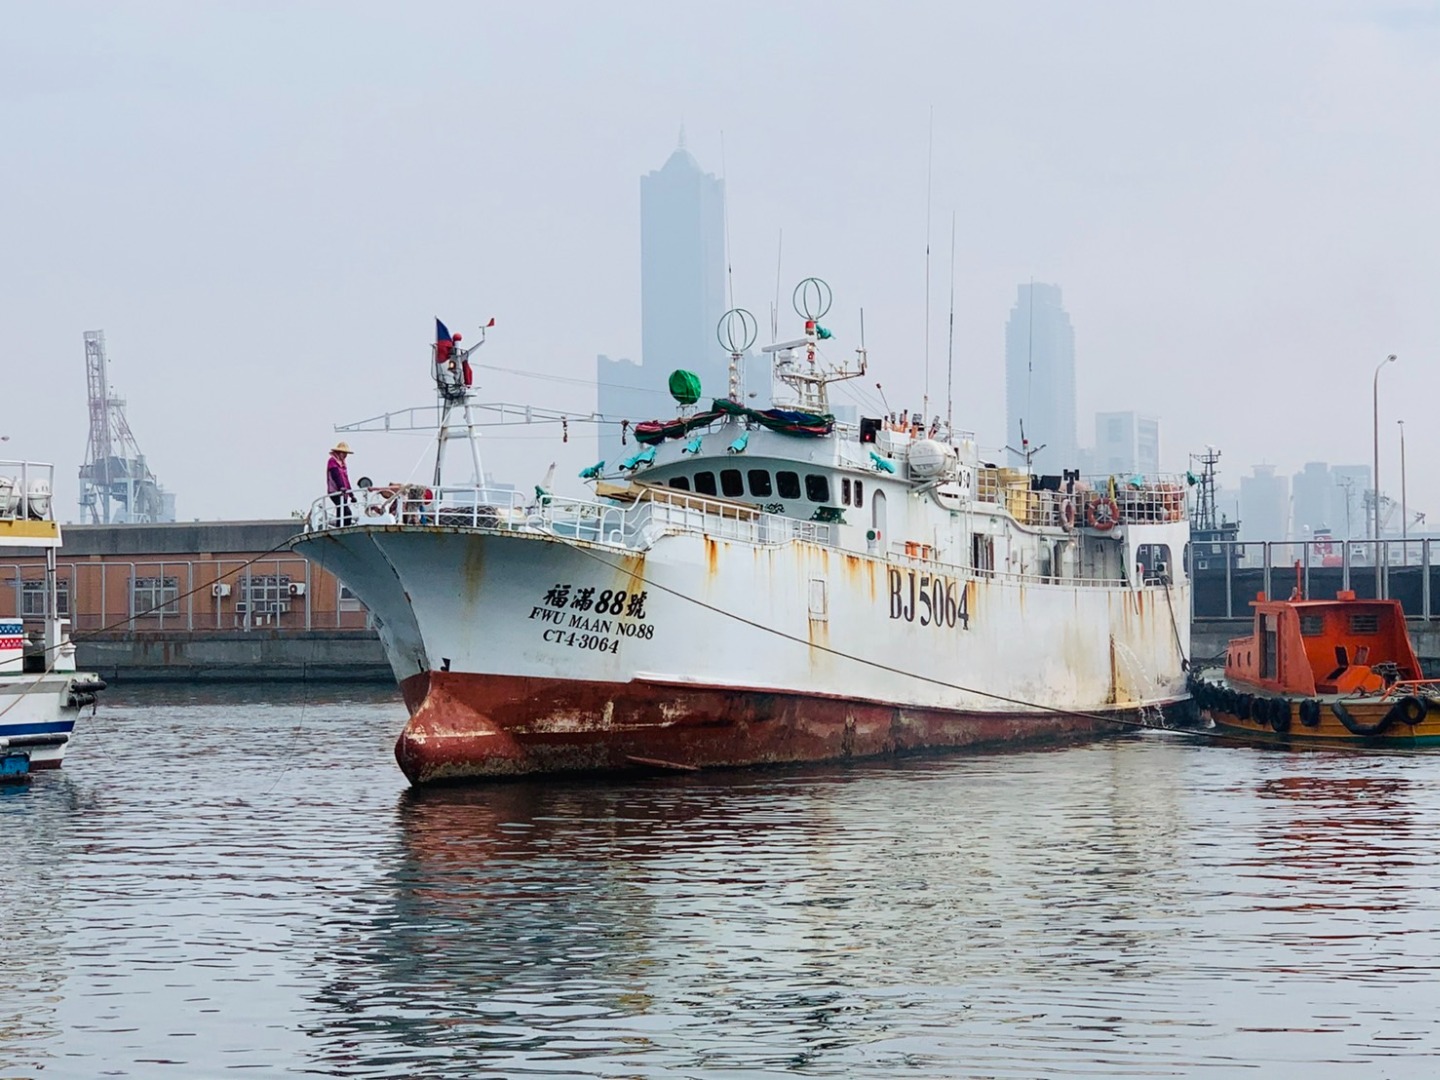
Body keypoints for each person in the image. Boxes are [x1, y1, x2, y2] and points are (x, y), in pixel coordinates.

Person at [327, 441, 355, 526]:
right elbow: (335, 476)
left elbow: (346, 480)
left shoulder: (343, 464)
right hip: (335, 491)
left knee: (342, 512)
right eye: (343, 453)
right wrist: (341, 487)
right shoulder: (332, 461)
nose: (345, 455)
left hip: (343, 493)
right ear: (339, 452)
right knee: (346, 512)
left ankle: (343, 527)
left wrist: (351, 495)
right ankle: (342, 528)